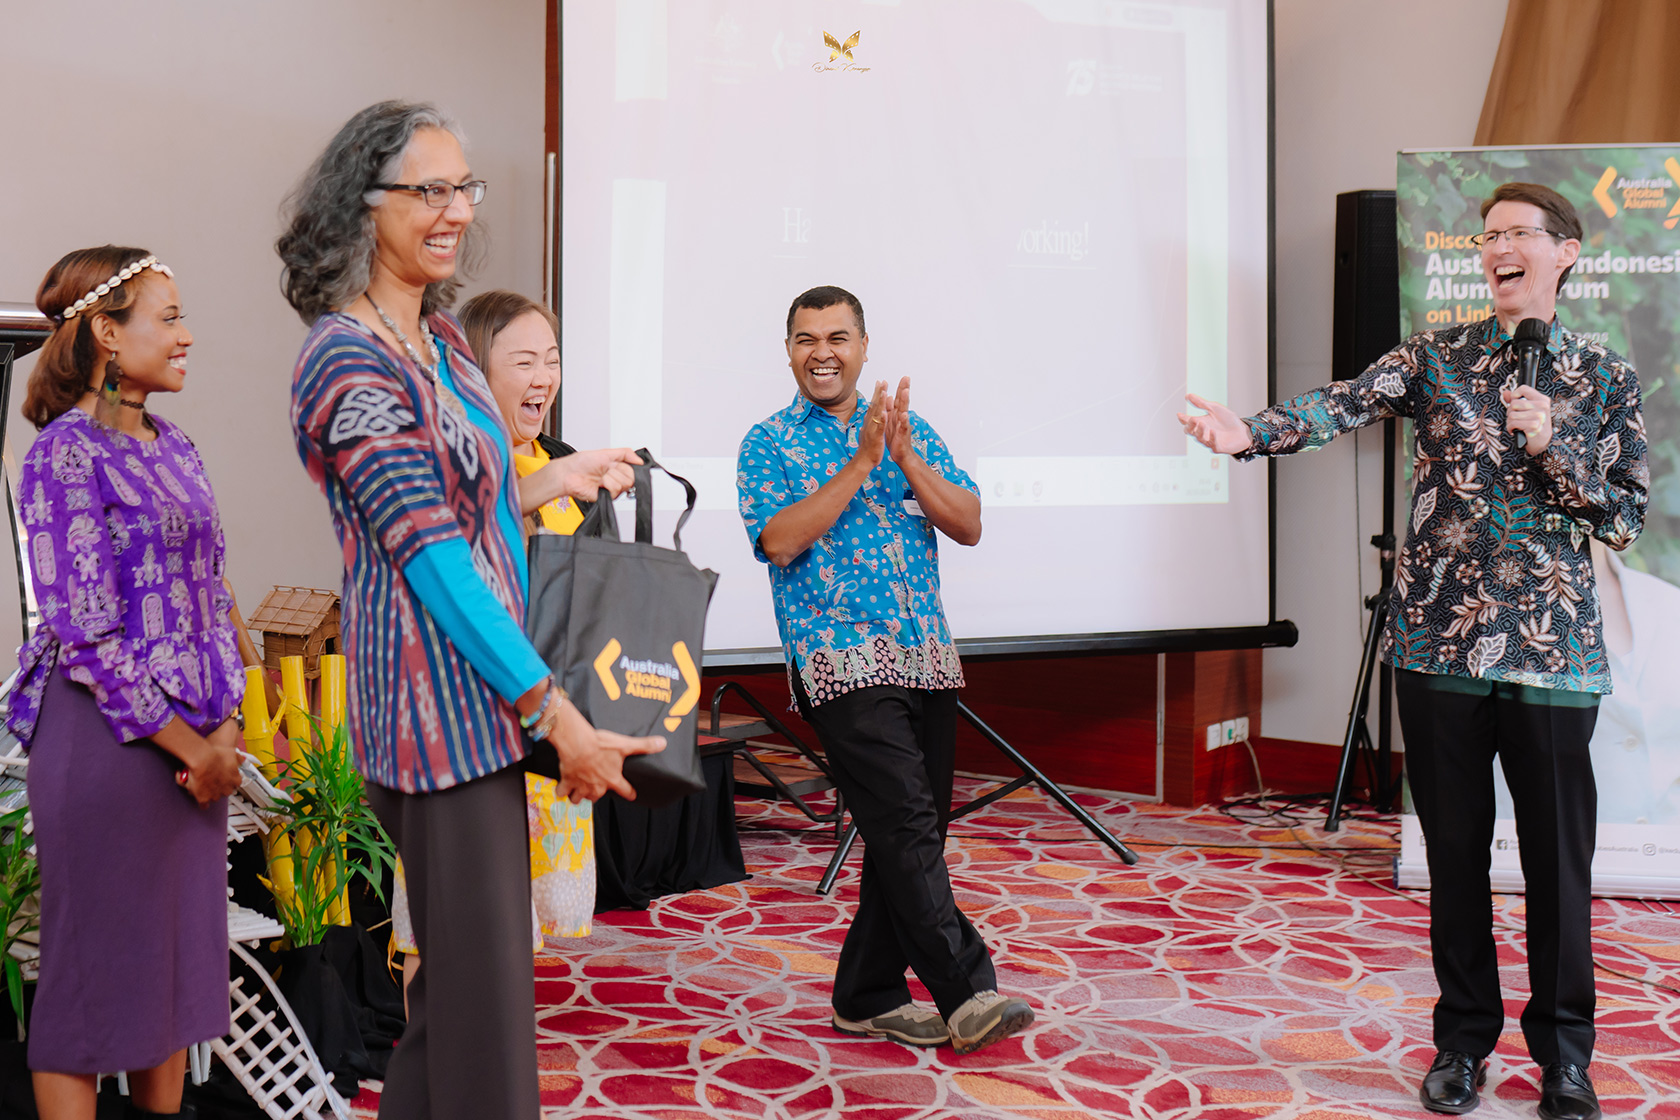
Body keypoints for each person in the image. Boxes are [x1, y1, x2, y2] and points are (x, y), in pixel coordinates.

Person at [1179, 182, 1647, 1120]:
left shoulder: (1605, 375)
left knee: (1559, 866)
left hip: (1553, 659)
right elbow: (1343, 402)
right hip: (1438, 648)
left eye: (1517, 235)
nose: (1496, 249)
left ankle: (1565, 1058)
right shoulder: (1435, 357)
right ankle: (1463, 1043)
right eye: (1487, 237)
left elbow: (1624, 518)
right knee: (1457, 857)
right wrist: (1249, 435)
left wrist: (1553, 445)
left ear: (1566, 253)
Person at [278, 101, 662, 1119]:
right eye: (428, 190)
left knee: (452, 1015)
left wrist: (553, 480)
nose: (455, 211)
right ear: (362, 205)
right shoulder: (344, 359)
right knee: (488, 1027)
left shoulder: (443, 340)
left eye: (464, 188)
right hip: (430, 721)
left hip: (484, 706)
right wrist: (557, 713)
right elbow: (433, 555)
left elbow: (479, 509)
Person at [735, 285, 1032, 1055]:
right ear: (789, 351)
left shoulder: (910, 431)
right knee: (904, 825)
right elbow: (779, 542)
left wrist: (900, 457)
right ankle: (968, 993)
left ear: (865, 346)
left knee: (908, 832)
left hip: (926, 656)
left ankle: (866, 994)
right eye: (806, 339)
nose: (822, 351)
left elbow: (966, 523)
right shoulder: (768, 442)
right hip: (839, 660)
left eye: (837, 336)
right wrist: (862, 461)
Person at [10, 246, 246, 1120]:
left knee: (171, 987)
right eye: (168, 318)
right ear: (107, 334)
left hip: (194, 752)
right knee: (86, 990)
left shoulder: (173, 442)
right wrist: (195, 749)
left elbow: (211, 595)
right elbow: (84, 633)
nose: (187, 337)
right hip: (108, 750)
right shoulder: (63, 457)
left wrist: (225, 732)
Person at [385, 291, 607, 1002]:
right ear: (477, 372)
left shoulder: (553, 461)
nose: (544, 377)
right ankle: (434, 1057)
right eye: (523, 361)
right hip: (462, 720)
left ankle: (491, 1061)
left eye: (553, 360)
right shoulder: (448, 459)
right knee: (441, 913)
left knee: (513, 921)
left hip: (545, 716)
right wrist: (547, 486)